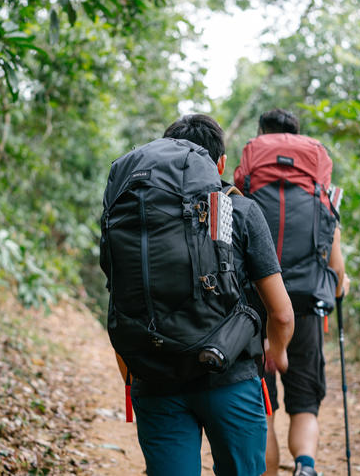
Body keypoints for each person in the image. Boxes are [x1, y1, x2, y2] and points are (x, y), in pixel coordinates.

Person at [112, 114, 295, 476]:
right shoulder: (239, 209)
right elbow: (282, 313)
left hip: (154, 378)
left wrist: (135, 375)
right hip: (229, 378)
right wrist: (278, 352)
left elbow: (121, 300)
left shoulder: (135, 218)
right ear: (220, 163)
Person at [238, 109, 350, 476]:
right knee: (304, 404)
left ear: (260, 135)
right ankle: (305, 466)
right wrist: (339, 284)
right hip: (306, 306)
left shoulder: (249, 179)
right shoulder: (318, 188)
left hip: (256, 309)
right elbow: (335, 265)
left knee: (263, 409)